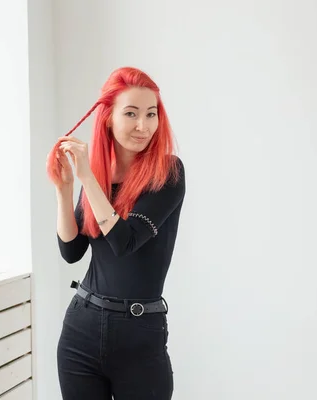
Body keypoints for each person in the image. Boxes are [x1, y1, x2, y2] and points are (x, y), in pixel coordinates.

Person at [46, 66, 186, 400]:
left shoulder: (168, 173)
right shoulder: (96, 175)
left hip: (139, 334)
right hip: (81, 329)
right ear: (108, 117)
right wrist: (65, 191)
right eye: (132, 113)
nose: (143, 126)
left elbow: (125, 241)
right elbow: (71, 251)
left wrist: (88, 179)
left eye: (151, 114)